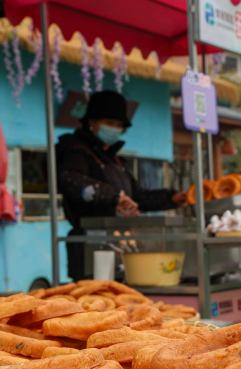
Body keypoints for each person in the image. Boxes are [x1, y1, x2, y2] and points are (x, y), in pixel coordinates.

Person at [56, 90, 187, 280]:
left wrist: (172, 198)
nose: (115, 129)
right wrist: (114, 198)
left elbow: (138, 197)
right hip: (89, 245)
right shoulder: (75, 151)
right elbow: (71, 181)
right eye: (110, 123)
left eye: (119, 125)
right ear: (92, 122)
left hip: (121, 244)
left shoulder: (114, 160)